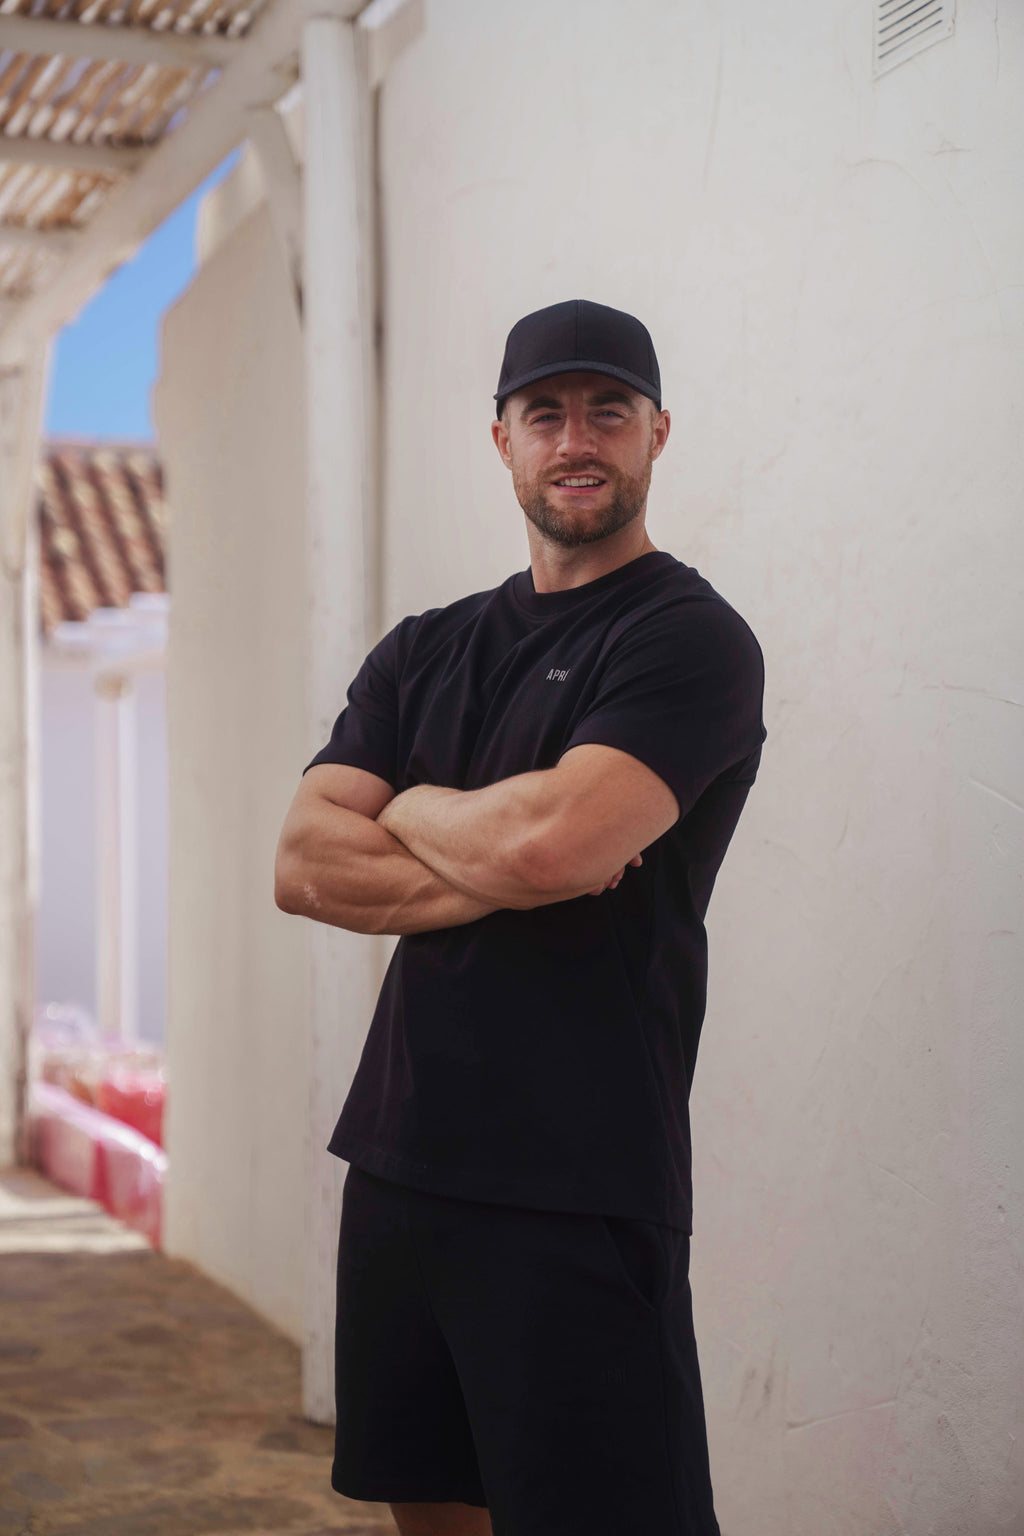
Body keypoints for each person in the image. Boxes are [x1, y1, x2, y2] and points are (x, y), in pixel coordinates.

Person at [274, 298, 767, 1536]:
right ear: (502, 440)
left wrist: (415, 812)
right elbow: (303, 861)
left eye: (608, 411)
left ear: (657, 432)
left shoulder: (689, 639)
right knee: (431, 1510)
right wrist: (506, 845)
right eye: (544, 414)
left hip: (578, 1180)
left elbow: (557, 842)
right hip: (400, 1158)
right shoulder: (424, 648)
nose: (575, 440)